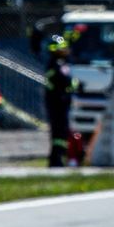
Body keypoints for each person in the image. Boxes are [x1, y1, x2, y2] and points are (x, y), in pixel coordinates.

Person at [43, 36, 73, 166]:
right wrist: (75, 84)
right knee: (59, 131)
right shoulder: (57, 65)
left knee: (60, 131)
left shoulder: (56, 63)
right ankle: (57, 158)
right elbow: (65, 80)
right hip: (58, 103)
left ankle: (57, 157)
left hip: (59, 102)